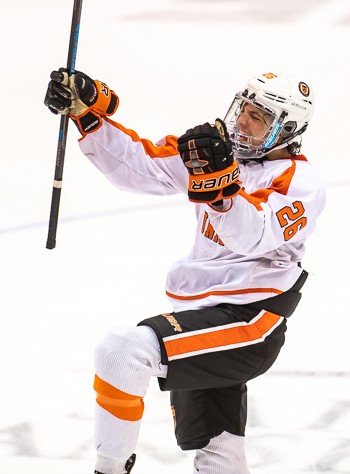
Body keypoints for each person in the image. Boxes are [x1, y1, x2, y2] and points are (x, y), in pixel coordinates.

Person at [45, 70, 326, 474]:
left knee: (123, 351)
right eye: (243, 109)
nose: (243, 122)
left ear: (289, 129)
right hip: (203, 319)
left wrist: (220, 186)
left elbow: (251, 235)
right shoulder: (217, 151)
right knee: (220, 457)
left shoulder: (302, 183)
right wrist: (88, 115)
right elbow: (142, 167)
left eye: (259, 117)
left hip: (250, 323)